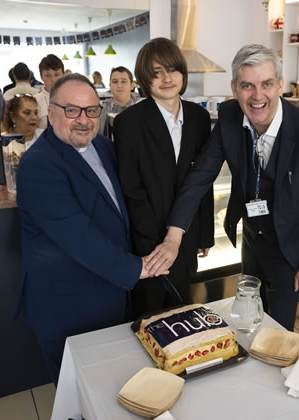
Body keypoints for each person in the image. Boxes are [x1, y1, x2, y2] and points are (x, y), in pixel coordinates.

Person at [146, 44, 299, 331]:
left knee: (280, 328)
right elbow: (200, 177)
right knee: (249, 316)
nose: (258, 96)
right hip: (251, 237)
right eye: (247, 86)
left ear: (280, 85)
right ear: (234, 88)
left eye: (266, 84)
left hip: (290, 248)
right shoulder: (229, 117)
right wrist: (174, 236)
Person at [15, 73, 157, 384]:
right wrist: (138, 268)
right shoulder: (38, 165)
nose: (84, 120)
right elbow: (76, 234)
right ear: (51, 113)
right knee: (80, 393)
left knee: (114, 387)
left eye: (91, 110)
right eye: (72, 110)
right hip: (68, 303)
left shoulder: (103, 147)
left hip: (110, 293)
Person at [114, 38, 214, 317]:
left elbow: (202, 183)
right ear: (145, 80)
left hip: (188, 236)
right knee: (151, 317)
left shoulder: (199, 117)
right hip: (148, 245)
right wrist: (155, 247)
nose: (166, 78)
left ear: (183, 72)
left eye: (172, 70)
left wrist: (203, 234)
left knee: (183, 312)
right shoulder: (128, 123)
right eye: (156, 73)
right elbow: (131, 190)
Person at [97, 66, 139, 136]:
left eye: (124, 81)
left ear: (132, 85)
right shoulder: (100, 110)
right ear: (110, 85)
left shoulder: (141, 108)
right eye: (115, 82)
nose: (119, 85)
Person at [34, 54, 64, 130]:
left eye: (56, 75)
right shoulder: (35, 101)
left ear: (63, 75)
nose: (53, 79)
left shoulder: (72, 98)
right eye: (48, 75)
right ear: (41, 77)